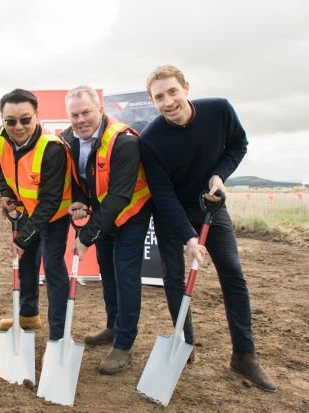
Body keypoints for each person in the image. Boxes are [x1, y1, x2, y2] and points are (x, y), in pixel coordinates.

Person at [139, 64, 276, 391]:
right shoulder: (150, 140)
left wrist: (219, 175)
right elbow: (162, 193)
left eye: (173, 91)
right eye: (159, 97)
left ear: (186, 87)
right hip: (172, 213)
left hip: (210, 205)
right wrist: (187, 237)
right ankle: (183, 345)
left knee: (233, 273)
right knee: (173, 278)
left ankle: (244, 354)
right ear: (152, 102)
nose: (168, 101)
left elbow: (238, 145)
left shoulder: (220, 111)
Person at [62, 86, 152, 374]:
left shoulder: (124, 141)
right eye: (74, 115)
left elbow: (120, 196)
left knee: (125, 274)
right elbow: (80, 177)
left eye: (86, 112)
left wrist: (87, 236)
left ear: (100, 109)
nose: (80, 120)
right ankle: (113, 327)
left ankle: (125, 342)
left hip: (130, 214)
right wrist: (79, 199)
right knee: (107, 272)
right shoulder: (68, 139)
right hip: (104, 213)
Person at [0, 88, 72, 341]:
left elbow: (49, 203)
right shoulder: (0, 138)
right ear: (2, 119)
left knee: (52, 267)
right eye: (10, 121)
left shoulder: (53, 148)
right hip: (25, 210)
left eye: (25, 119)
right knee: (26, 264)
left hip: (54, 216)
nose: (18, 126)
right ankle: (28, 315)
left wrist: (23, 239)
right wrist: (5, 193)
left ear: (37, 115)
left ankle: (58, 334)